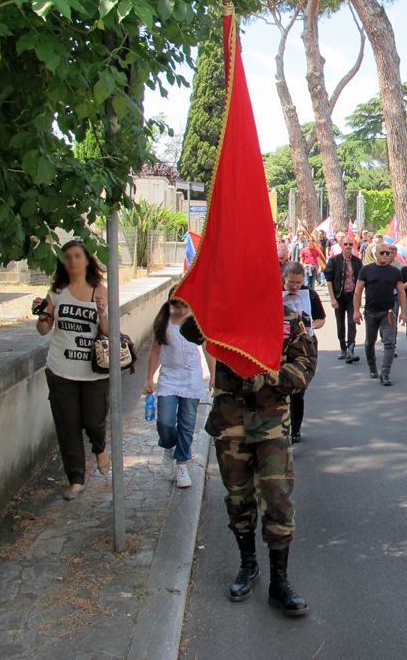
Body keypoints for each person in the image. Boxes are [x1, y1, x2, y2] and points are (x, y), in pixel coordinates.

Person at [180, 306, 317, 616]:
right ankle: (248, 565)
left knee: (278, 499)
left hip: (271, 422)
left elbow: (305, 369)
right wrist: (216, 301)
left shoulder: (289, 319)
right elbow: (189, 330)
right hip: (232, 420)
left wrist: (269, 376)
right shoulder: (223, 313)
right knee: (239, 498)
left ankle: (279, 582)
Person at [33, 241, 110, 501]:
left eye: (78, 256)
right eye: (68, 257)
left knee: (94, 420)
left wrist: (102, 313)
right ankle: (76, 479)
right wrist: (42, 315)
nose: (73, 261)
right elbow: (43, 330)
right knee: (68, 427)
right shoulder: (57, 291)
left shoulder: (100, 290)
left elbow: (108, 331)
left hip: (93, 372)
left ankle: (99, 446)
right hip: (60, 369)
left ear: (86, 260)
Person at [143, 297, 214, 488]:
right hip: (169, 378)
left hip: (191, 378)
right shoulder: (164, 323)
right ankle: (168, 446)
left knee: (187, 423)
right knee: (165, 422)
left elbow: (207, 347)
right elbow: (155, 351)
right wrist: (149, 377)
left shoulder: (196, 322)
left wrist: (213, 375)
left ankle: (182, 463)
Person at [282, 262, 326, 443]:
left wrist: (309, 327)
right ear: (284, 278)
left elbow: (321, 319)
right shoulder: (274, 293)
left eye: (298, 283)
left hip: (304, 347)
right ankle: (281, 428)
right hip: (281, 347)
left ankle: (295, 429)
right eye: (291, 282)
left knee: (298, 389)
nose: (295, 287)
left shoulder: (310, 295)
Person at [353, 243, 407, 386]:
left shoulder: (395, 271)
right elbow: (358, 291)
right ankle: (372, 367)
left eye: (387, 253)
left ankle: (385, 374)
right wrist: (356, 311)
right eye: (382, 252)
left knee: (389, 343)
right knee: (369, 342)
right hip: (370, 312)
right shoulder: (366, 270)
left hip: (388, 313)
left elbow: (401, 292)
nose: (385, 255)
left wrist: (403, 312)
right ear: (375, 254)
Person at [324, 236, 363, 364]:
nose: (347, 246)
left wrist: (359, 298)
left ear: (353, 246)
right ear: (341, 245)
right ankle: (343, 349)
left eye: (350, 244)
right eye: (345, 244)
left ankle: (351, 348)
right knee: (340, 324)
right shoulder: (334, 260)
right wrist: (332, 298)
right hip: (339, 297)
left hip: (352, 296)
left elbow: (361, 282)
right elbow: (329, 280)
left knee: (352, 322)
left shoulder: (357, 261)